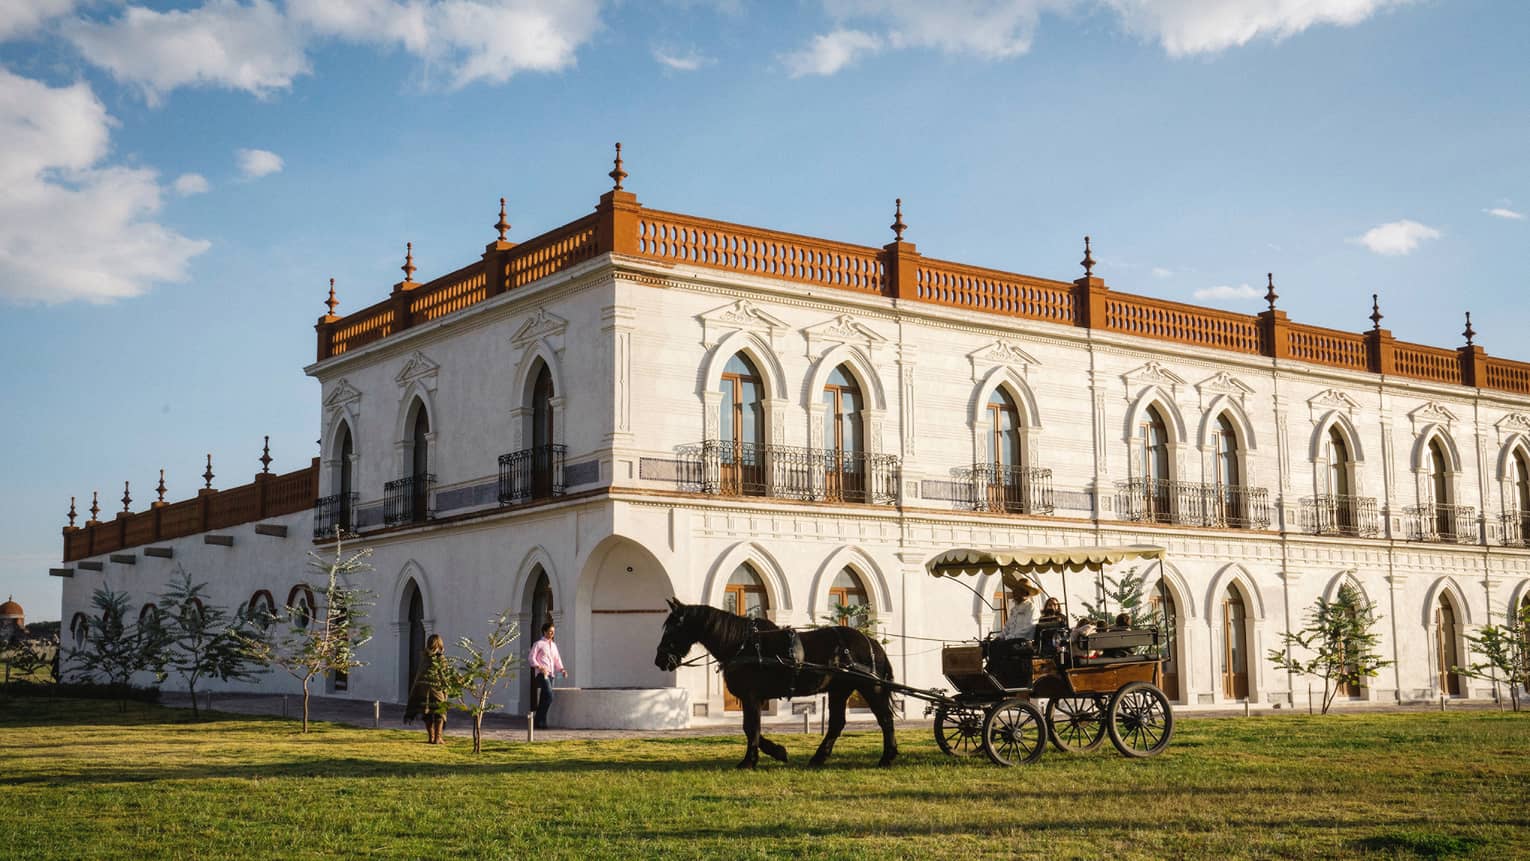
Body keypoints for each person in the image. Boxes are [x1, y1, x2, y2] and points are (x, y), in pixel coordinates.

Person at [404, 634, 453, 744]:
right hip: (437, 690)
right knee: (440, 713)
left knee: (428, 713)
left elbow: (419, 675)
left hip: (423, 690)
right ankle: (437, 738)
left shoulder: (424, 658)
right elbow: (443, 676)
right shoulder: (440, 658)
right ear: (439, 644)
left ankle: (431, 737)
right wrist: (447, 689)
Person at [528, 621, 566, 728]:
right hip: (541, 674)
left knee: (544, 698)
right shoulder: (538, 644)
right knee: (549, 696)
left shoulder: (553, 645)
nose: (551, 634)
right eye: (550, 632)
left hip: (551, 675)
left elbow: (557, 659)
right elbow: (531, 658)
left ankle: (539, 722)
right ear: (544, 632)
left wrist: (562, 669)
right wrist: (539, 667)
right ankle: (540, 720)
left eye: (553, 632)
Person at [999, 576, 1041, 641]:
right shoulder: (1014, 609)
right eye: (1014, 589)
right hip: (1011, 642)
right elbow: (1007, 627)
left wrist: (1009, 638)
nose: (1013, 592)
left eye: (1016, 590)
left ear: (1024, 592)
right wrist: (1000, 637)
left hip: (1023, 644)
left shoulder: (1031, 607)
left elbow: (1028, 628)